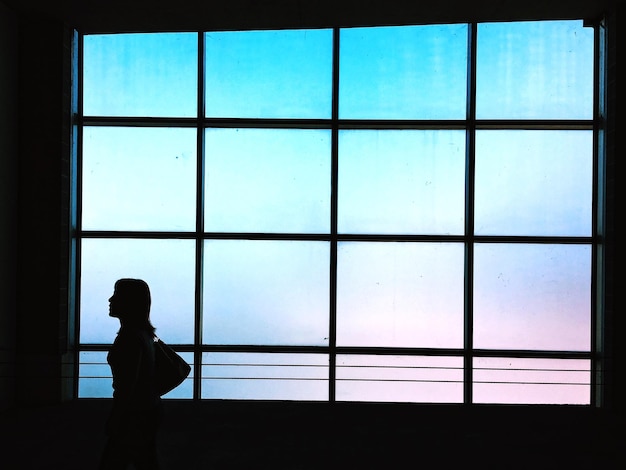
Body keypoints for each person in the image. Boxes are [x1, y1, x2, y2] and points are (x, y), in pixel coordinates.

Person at [99, 278, 162, 470]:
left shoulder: (129, 338)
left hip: (132, 417)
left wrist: (116, 416)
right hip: (146, 411)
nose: (110, 300)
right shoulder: (144, 334)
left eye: (116, 295)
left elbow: (126, 386)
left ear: (129, 302)